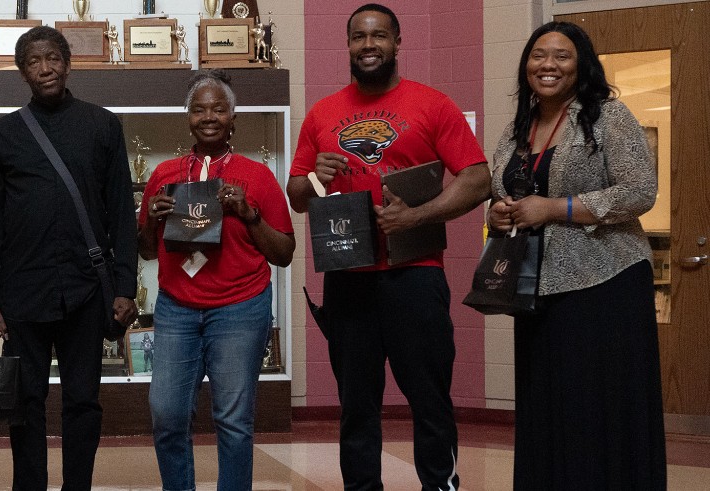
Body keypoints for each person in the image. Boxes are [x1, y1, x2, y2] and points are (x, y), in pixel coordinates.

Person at [285, 4, 490, 490]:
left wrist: (417, 216)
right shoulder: (322, 113)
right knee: (357, 406)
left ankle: (440, 484)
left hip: (415, 273)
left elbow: (479, 178)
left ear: (398, 43)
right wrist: (317, 177)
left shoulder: (432, 104)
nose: (368, 45)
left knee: (429, 398)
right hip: (349, 278)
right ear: (349, 45)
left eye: (378, 36)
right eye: (358, 37)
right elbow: (297, 195)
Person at [488, 21, 665, 488]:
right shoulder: (516, 129)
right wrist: (499, 213)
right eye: (538, 55)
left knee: (595, 406)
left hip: (605, 282)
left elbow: (640, 190)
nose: (547, 65)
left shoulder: (608, 116)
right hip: (536, 286)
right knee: (546, 403)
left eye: (562, 56)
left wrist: (558, 208)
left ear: (582, 65)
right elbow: (502, 190)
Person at [0, 25, 138, 491]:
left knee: (83, 401)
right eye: (33, 61)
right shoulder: (4, 135)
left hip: (87, 292)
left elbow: (121, 213)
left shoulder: (102, 124)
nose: (44, 69)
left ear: (67, 63)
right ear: (22, 71)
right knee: (25, 401)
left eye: (52, 59)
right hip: (21, 292)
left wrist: (125, 286)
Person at [139, 70, 295, 490]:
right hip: (177, 309)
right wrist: (151, 221)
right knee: (167, 413)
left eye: (219, 108)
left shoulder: (257, 176)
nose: (209, 116)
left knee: (233, 419)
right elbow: (147, 251)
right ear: (187, 116)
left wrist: (249, 214)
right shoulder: (165, 175)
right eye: (199, 108)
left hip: (240, 308)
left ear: (233, 117)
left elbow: (283, 254)